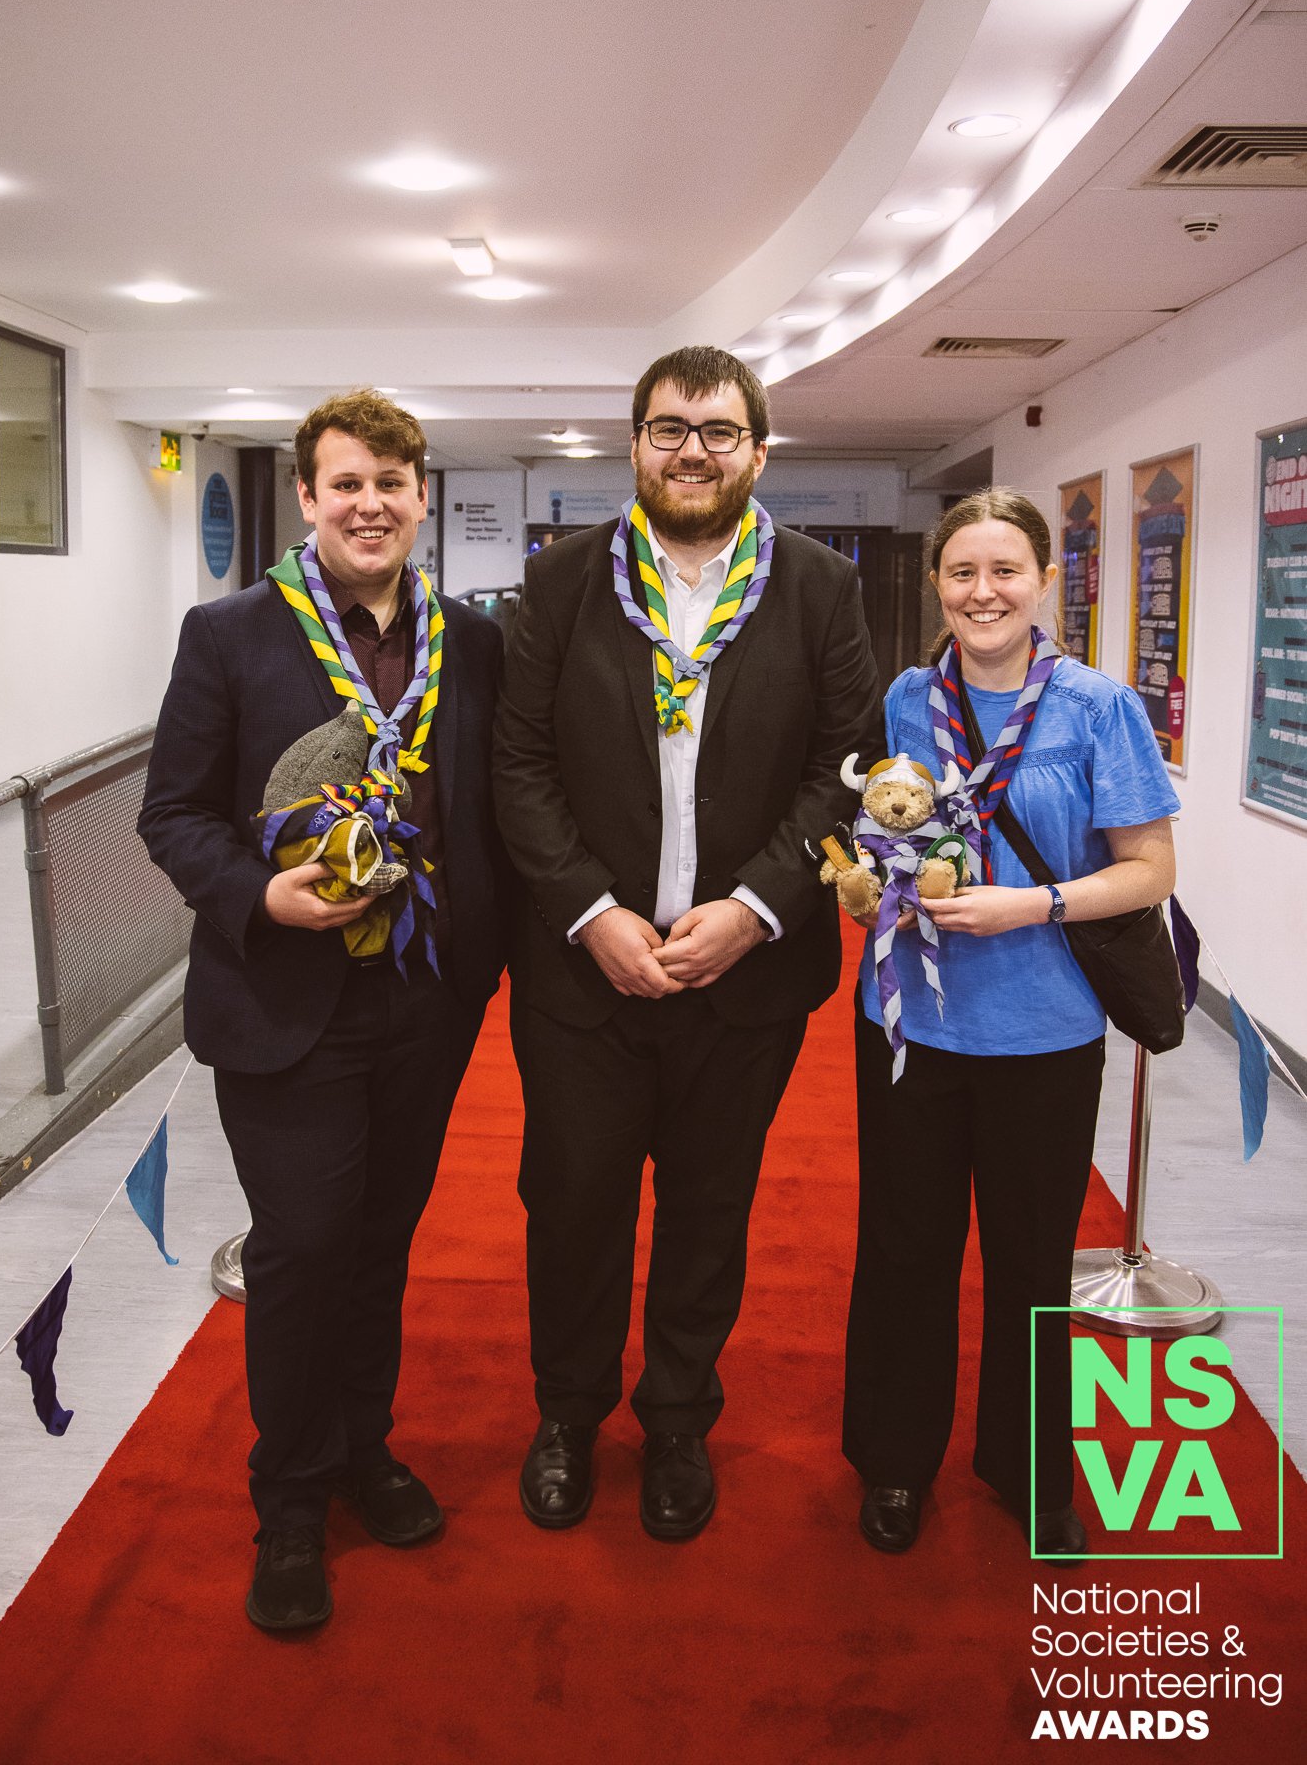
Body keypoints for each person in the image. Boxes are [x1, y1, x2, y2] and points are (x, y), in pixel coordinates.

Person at [493, 344, 883, 1540]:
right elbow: (519, 763)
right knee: (572, 1204)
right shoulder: (559, 580)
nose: (692, 451)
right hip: (582, 975)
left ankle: (675, 1422)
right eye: (669, 428)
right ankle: (566, 1413)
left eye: (718, 431)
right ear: (635, 445)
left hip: (743, 978)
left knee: (709, 1207)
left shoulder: (821, 585)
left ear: (759, 451)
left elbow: (845, 766)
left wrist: (757, 907)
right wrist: (592, 910)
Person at [139, 390, 507, 1632]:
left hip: (422, 1002)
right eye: (345, 483)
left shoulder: (470, 639)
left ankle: (363, 1447)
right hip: (283, 1002)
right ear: (307, 496)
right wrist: (262, 897)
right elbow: (174, 814)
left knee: (379, 1241)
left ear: (420, 496)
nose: (370, 504)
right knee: (301, 1247)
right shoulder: (230, 633)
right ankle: (289, 1501)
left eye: (392, 483)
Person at [842, 487, 1178, 1560]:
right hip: (911, 1023)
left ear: (1043, 580)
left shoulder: (1096, 706)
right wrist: (859, 885)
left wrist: (1026, 902)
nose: (981, 591)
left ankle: (1030, 1472)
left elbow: (1147, 873)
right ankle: (895, 1465)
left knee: (1030, 1260)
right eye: (960, 572)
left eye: (1003, 570)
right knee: (903, 1250)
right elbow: (864, 832)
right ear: (936, 584)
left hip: (1044, 1028)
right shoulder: (903, 697)